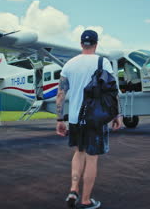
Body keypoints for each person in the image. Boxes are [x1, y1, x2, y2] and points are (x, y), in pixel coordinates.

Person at [56, 29, 122, 209]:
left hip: (76, 119)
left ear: (80, 44)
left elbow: (60, 94)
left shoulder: (69, 64)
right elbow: (112, 90)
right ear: (96, 44)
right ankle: (85, 200)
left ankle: (73, 189)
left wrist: (59, 120)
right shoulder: (103, 62)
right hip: (96, 119)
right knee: (92, 158)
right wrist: (117, 115)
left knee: (79, 153)